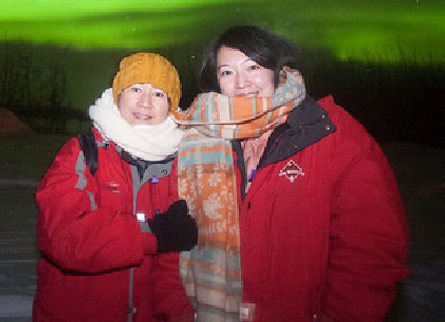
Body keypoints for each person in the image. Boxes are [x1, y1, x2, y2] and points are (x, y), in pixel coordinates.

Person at [174, 26, 409, 322]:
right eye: (227, 72)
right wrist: (178, 310)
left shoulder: (330, 131)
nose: (242, 82)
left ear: (277, 69)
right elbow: (174, 233)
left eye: (253, 67)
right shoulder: (199, 137)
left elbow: (370, 247)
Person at [34, 52, 198, 322]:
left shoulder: (177, 164)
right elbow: (65, 237)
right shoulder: (83, 153)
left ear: (170, 105)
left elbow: (170, 266)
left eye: (158, 94)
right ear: (118, 95)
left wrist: (178, 314)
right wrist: (150, 233)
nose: (145, 102)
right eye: (136, 89)